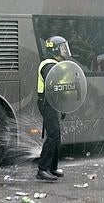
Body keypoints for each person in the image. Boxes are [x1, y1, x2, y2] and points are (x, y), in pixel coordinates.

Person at [35, 36, 70, 181]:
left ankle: (53, 167)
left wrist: (62, 107)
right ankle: (42, 169)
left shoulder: (56, 63)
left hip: (53, 102)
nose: (65, 50)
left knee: (57, 136)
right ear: (55, 49)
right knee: (53, 136)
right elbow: (53, 84)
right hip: (47, 103)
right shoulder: (48, 65)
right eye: (63, 47)